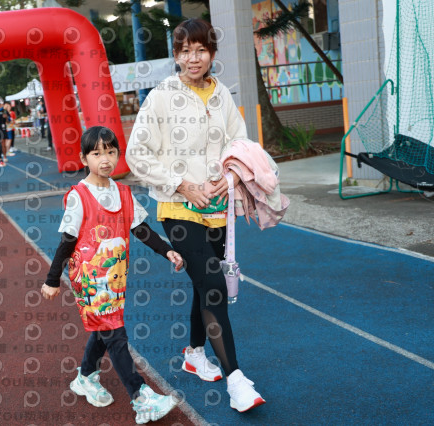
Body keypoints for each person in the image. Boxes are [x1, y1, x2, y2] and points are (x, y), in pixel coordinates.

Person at [126, 18, 278, 413]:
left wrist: (232, 177)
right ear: (176, 55)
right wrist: (181, 184)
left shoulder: (221, 94)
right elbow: (136, 154)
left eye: (201, 50)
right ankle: (236, 380)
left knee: (202, 283)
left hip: (217, 209)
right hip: (178, 207)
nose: (193, 58)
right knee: (213, 284)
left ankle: (194, 352)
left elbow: (240, 144)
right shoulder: (161, 97)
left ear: (211, 53)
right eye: (185, 51)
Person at [41, 126, 184, 424]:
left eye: (110, 152)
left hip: (116, 277)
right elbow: (67, 240)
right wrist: (53, 279)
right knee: (115, 333)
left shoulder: (123, 193)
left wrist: (167, 251)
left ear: (118, 155)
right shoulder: (79, 196)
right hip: (90, 279)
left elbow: (140, 228)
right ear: (84, 159)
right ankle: (141, 397)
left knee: (104, 328)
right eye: (96, 153)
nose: (105, 159)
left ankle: (85, 376)